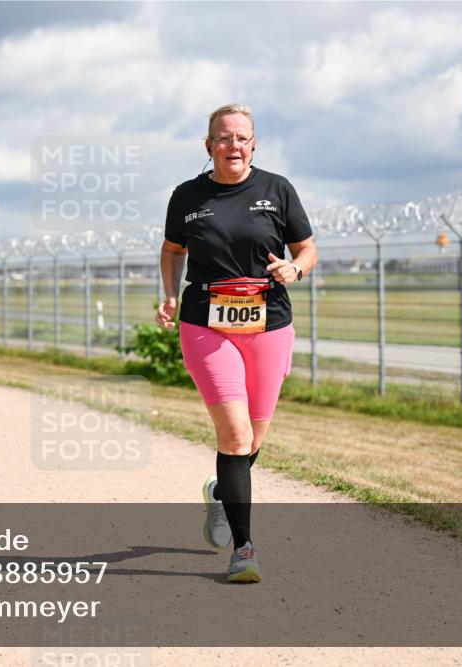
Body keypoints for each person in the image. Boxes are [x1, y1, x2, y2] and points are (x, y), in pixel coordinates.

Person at [157, 103, 318, 583]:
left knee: (254, 438)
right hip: (207, 323)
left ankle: (223, 491)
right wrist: (169, 294)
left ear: (254, 144)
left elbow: (307, 248)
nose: (234, 146)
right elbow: (172, 251)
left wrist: (295, 269)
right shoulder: (187, 196)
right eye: (224, 138)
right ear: (209, 147)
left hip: (268, 322)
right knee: (235, 435)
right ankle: (244, 549)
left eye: (242, 138)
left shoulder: (277, 190)